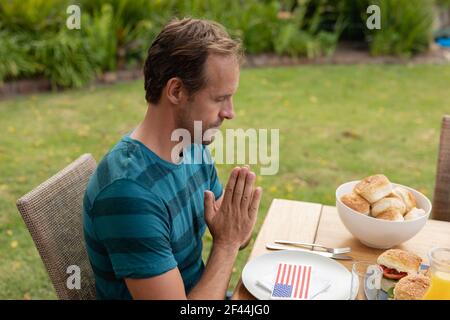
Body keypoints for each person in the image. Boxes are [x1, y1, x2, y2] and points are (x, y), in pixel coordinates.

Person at [82, 18, 263, 300]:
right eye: (220, 99)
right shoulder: (129, 193)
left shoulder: (190, 144)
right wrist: (227, 244)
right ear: (176, 91)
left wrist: (235, 230)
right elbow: (229, 241)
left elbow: (232, 230)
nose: (230, 112)